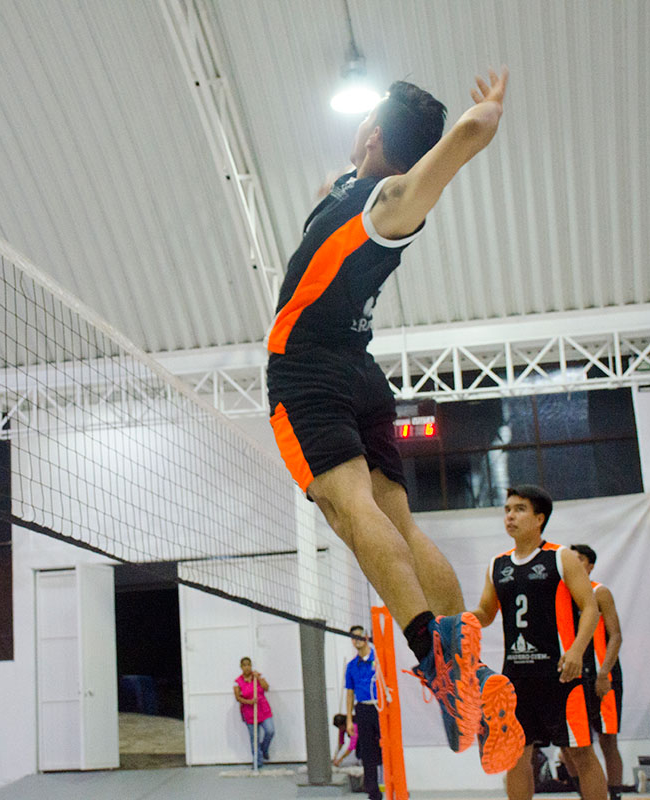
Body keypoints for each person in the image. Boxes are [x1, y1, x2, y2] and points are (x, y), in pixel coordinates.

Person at [264, 68, 521, 773]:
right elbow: (340, 195)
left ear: (375, 134)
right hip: (360, 371)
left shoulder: (394, 202)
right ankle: (465, 665)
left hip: (307, 368)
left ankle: (436, 664)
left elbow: (471, 134)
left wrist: (487, 112)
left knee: (350, 512)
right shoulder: (347, 192)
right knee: (400, 522)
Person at [470, 485, 607, 800]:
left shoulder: (561, 557)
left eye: (519, 509)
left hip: (560, 674)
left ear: (539, 518)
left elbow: (590, 608)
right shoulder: (497, 565)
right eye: (507, 509)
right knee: (516, 755)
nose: (510, 516)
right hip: (516, 678)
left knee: (580, 752)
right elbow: (486, 613)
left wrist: (575, 651)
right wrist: (453, 622)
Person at [570, 544, 625, 791]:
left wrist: (604, 674)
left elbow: (616, 636)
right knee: (570, 742)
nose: (574, 563)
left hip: (602, 674)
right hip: (572, 675)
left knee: (607, 740)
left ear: (590, 565)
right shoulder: (561, 594)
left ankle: (613, 795)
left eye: (579, 559)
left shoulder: (599, 592)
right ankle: (585, 791)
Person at [343, 625, 382, 800]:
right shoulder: (351, 666)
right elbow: (350, 693)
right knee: (367, 752)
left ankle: (395, 783)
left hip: (380, 707)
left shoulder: (379, 658)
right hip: (363, 709)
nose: (356, 640)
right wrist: (350, 720)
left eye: (359, 636)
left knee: (386, 747)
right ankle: (373, 792)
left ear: (366, 637)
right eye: (353, 637)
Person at [233, 657, 274, 768]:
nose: (247, 667)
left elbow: (266, 688)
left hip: (263, 709)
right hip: (249, 712)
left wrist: (258, 678)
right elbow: (238, 698)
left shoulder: (257, 677)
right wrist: (249, 702)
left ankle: (263, 749)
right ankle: (258, 762)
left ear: (251, 666)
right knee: (254, 738)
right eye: (244, 665)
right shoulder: (238, 682)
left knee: (270, 731)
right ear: (241, 667)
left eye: (248, 665)